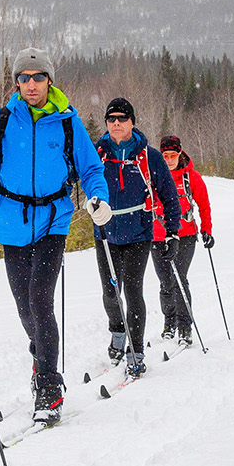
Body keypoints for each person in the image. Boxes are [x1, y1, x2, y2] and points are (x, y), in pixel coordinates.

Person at [0, 47, 111, 426]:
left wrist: (98, 198)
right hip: (11, 222)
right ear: (16, 83)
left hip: (54, 220)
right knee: (26, 307)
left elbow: (91, 169)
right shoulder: (2, 121)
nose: (30, 84)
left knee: (40, 299)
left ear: (49, 81)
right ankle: (41, 356)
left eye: (37, 77)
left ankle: (48, 385)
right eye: (23, 78)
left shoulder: (68, 123)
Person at [91, 97, 182, 379]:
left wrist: (172, 232)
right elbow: (76, 177)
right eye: (111, 119)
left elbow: (169, 195)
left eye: (122, 118)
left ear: (132, 122)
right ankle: (117, 333)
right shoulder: (97, 153)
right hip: (105, 234)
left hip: (138, 234)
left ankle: (136, 352)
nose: (116, 123)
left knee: (132, 292)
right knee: (110, 294)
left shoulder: (149, 156)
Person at [153, 135, 214, 348]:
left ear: (180, 154)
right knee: (165, 282)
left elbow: (204, 205)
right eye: (165, 156)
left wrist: (207, 230)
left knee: (179, 278)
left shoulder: (191, 178)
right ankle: (169, 323)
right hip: (157, 236)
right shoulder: (153, 176)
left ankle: (185, 326)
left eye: (173, 155)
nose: (169, 160)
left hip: (185, 234)